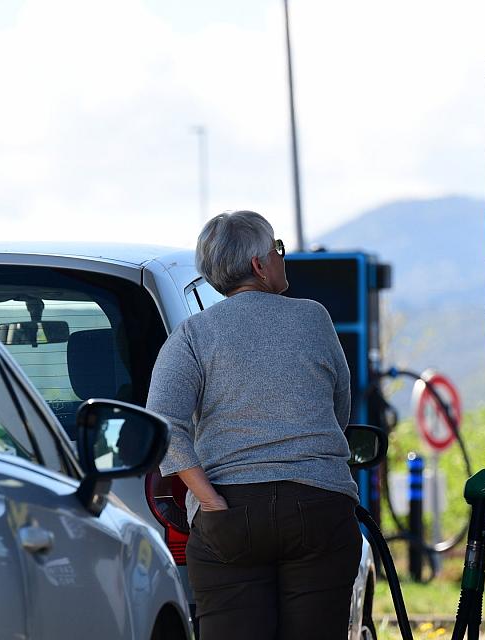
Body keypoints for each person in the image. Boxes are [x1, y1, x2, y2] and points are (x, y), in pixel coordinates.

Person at [146, 210, 360, 640]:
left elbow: (164, 425)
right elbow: (339, 410)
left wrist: (209, 501)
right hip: (319, 505)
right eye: (277, 249)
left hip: (231, 510)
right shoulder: (313, 318)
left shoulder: (192, 334)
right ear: (259, 264)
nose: (282, 257)